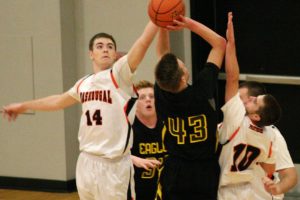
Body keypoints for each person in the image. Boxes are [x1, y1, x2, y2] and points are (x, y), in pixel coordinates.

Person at [2, 21, 159, 200]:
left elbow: (143, 42)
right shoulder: (83, 83)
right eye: (100, 46)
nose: (105, 49)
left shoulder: (120, 75)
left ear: (116, 54)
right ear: (91, 54)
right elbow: (57, 101)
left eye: (110, 46)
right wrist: (24, 106)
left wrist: (155, 21)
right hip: (86, 160)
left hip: (113, 165)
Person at [154, 15, 226, 199]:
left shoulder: (162, 93)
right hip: (205, 170)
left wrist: (162, 24)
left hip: (175, 170)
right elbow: (220, 43)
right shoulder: (203, 90)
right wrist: (189, 23)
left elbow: (163, 55)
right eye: (182, 65)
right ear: (184, 77)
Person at [217, 12, 282, 200]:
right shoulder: (269, 135)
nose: (249, 99)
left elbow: (232, 77)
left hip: (228, 191)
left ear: (256, 116)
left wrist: (231, 44)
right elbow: (269, 170)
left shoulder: (236, 119)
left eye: (255, 101)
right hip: (252, 192)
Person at [239, 81, 298, 200]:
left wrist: (277, 189)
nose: (234, 101)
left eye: (240, 98)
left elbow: (290, 176)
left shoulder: (272, 134)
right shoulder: (231, 126)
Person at [130, 80, 167, 200]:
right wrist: (134, 159)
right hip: (137, 191)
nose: (148, 99)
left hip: (166, 190)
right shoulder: (128, 127)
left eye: (152, 96)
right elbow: (113, 155)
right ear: (134, 105)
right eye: (142, 97)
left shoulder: (167, 124)